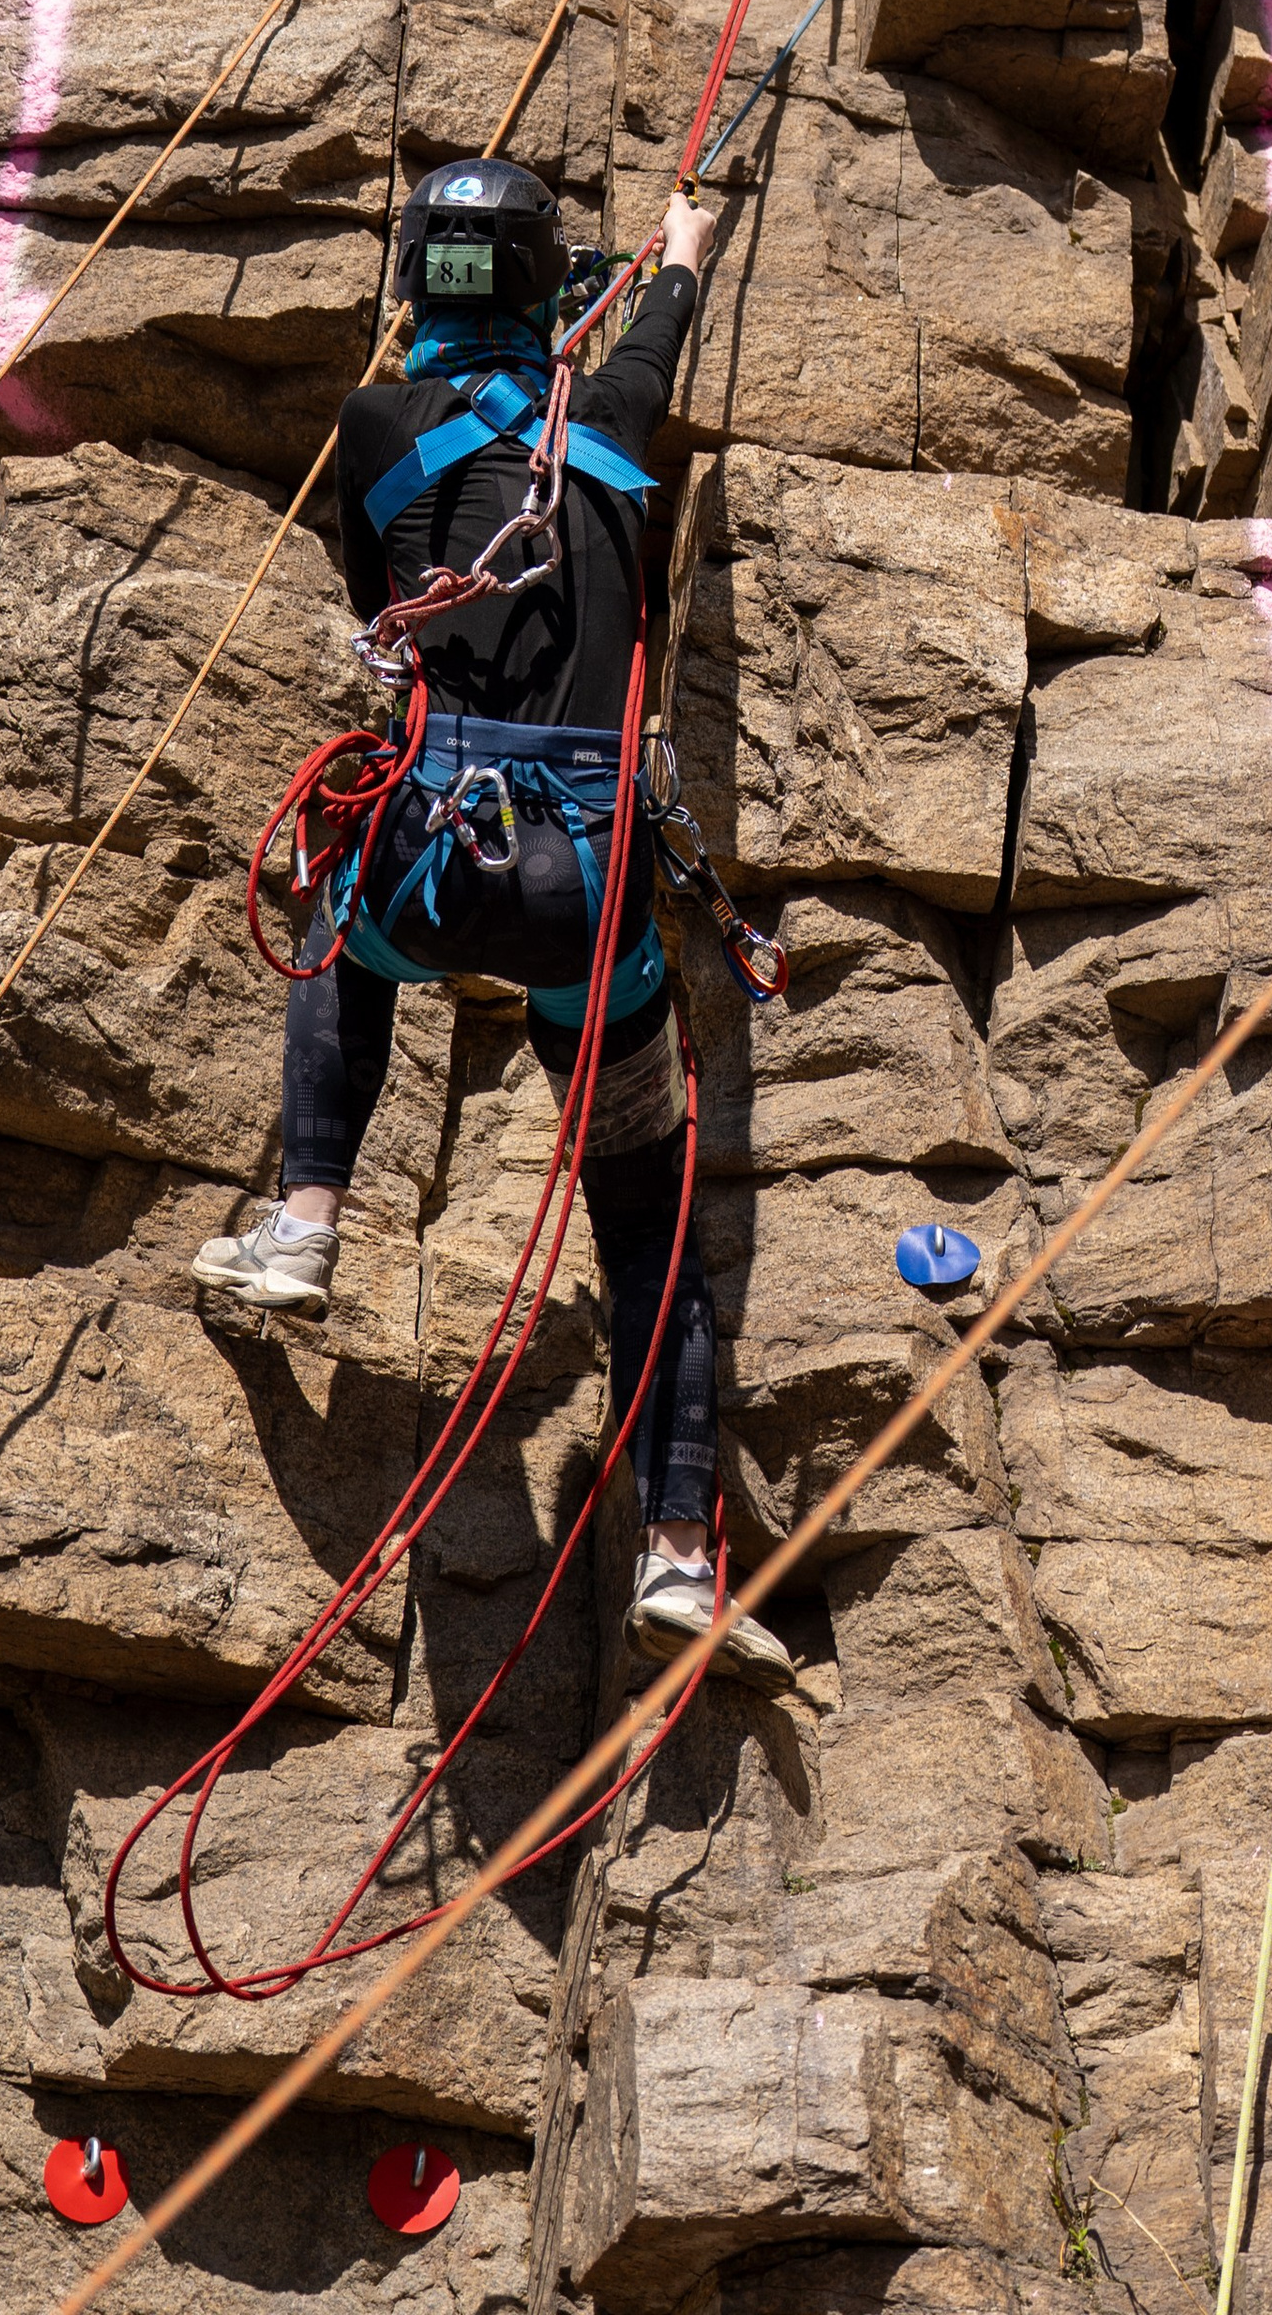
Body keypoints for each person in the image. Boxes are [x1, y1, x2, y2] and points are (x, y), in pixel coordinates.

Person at [193, 156, 793, 1689]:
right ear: (548, 291)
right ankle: (673, 1546)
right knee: (647, 1222)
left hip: (431, 855)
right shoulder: (620, 421)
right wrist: (680, 251)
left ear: (417, 286)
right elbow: (655, 337)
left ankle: (308, 1222)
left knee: (336, 903)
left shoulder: (380, 424)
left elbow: (375, 593)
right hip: (593, 904)